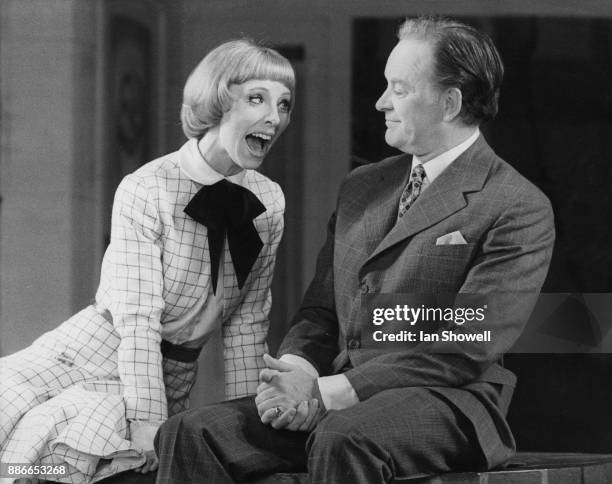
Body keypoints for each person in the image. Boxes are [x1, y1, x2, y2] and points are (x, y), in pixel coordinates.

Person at [154, 16, 555, 483]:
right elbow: (320, 311)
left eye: (399, 89)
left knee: (342, 437)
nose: (381, 102)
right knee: (191, 431)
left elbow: (461, 347)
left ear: (450, 102)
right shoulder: (362, 186)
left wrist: (326, 392)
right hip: (334, 391)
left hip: (450, 399)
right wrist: (297, 375)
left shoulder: (516, 205)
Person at [0, 39, 294, 483]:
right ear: (217, 101)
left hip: (168, 376)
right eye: (257, 98)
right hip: (97, 354)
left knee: (73, 469)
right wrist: (146, 420)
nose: (275, 117)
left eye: (284, 104)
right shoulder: (146, 188)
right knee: (25, 463)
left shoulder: (268, 200)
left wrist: (248, 432)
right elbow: (137, 319)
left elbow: (248, 321)